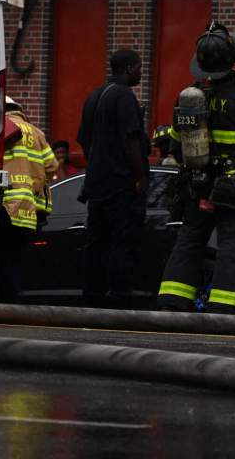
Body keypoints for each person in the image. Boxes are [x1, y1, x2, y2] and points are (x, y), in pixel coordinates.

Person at [158, 22, 235, 315]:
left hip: (195, 184)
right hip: (233, 188)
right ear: (231, 59)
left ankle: (172, 303)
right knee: (232, 246)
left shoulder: (187, 98)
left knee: (189, 242)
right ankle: (222, 310)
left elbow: (175, 145)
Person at [77, 49, 150, 309]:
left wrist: (98, 165)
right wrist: (139, 176)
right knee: (122, 242)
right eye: (140, 67)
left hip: (97, 186)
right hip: (121, 186)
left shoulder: (93, 96)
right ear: (129, 68)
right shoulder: (124, 96)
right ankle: (119, 299)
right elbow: (131, 139)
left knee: (96, 244)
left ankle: (92, 297)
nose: (141, 72)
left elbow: (84, 140)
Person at [0, 97, 58, 302]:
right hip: (29, 209)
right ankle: (10, 305)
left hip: (3, 203)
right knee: (14, 257)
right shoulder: (37, 133)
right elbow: (52, 166)